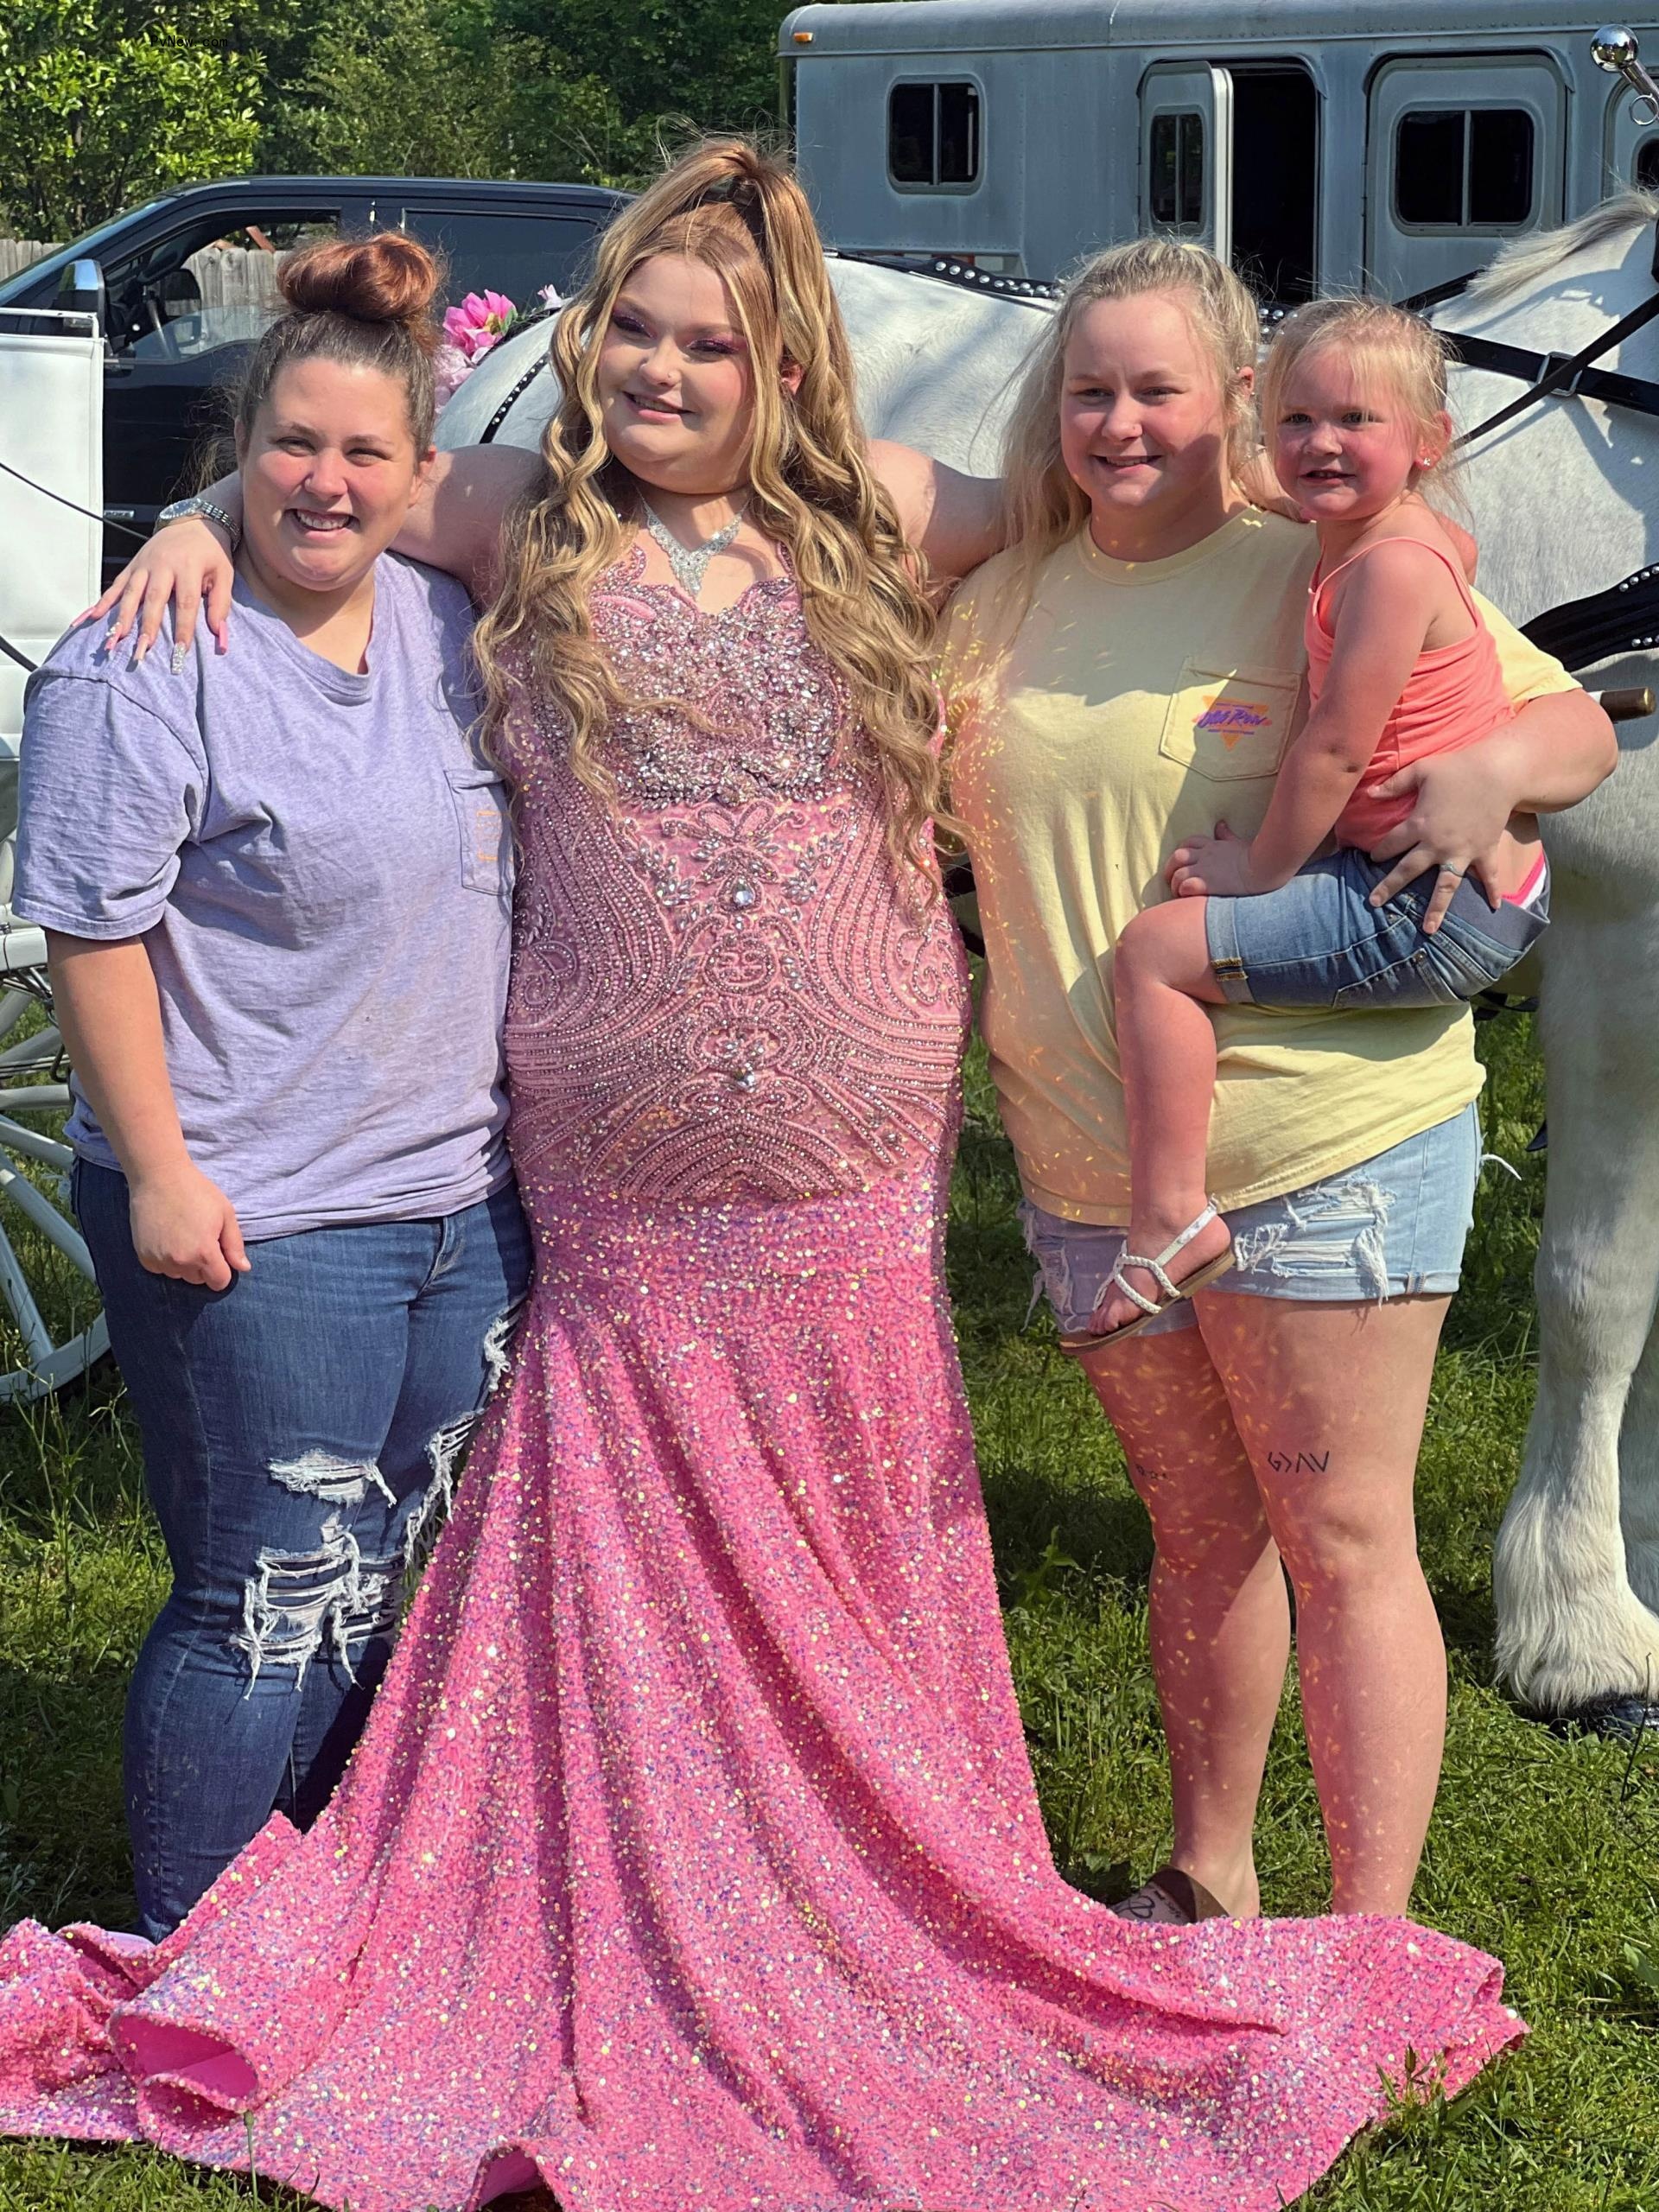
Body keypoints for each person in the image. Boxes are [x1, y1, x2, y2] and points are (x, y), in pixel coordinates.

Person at [3, 160, 1530, 2211]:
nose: (655, 363)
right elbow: (323, 481)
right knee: (621, 1504)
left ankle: (877, 1886)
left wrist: (1515, 739)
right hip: (623, 1165)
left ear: (780, 362)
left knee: (844, 1499)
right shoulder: (504, 510)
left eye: (705, 338)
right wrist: (191, 525)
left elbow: (1179, 527)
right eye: (629, 324)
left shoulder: (895, 512)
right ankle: (631, 1875)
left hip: (853, 1147)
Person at [944, 236, 1615, 1931]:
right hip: (1092, 1159)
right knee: (1197, 1530)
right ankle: (1209, 1871)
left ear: (1231, 398)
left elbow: (1576, 733)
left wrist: (1486, 773)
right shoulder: (1009, 590)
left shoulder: (1319, 554)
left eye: (1159, 388)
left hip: (1325, 1147)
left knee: (1345, 1538)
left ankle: (1372, 1945)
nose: (1118, 422)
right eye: (1089, 389)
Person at [9, 233, 531, 1943]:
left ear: (420, 472)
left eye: (367, 450)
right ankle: (197, 1957)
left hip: (453, 1205)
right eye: (294, 442)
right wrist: (156, 1169)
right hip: (257, 1203)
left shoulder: (453, 620)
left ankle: (323, 1915)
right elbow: (91, 927)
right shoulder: (152, 656)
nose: (327, 479)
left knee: (378, 1580)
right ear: (243, 443)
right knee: (262, 1588)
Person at [1093, 296, 1552, 1341]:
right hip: (1459, 879)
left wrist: (1258, 866)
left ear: (1429, 442)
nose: (1319, 444)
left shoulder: (1386, 571)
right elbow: (1363, 504)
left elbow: (1337, 747)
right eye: (1296, 421)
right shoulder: (1405, 533)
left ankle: (1170, 1218)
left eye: (1355, 421)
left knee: (1157, 954)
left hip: (1429, 904)